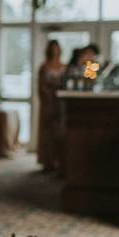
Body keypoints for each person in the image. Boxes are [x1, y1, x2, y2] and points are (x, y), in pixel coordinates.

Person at [37, 40, 66, 170]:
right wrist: (48, 96)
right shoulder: (44, 67)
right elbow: (41, 86)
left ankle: (59, 161)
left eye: (56, 48)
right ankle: (46, 161)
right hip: (48, 102)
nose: (55, 50)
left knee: (59, 132)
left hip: (60, 103)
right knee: (47, 132)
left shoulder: (63, 66)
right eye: (52, 48)